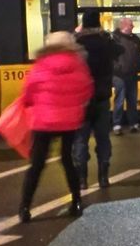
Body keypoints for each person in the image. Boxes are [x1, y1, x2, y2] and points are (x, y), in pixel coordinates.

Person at [18, 31, 92, 223]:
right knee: (67, 160)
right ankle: (76, 202)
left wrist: (28, 104)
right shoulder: (78, 64)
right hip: (69, 121)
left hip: (43, 120)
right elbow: (86, 89)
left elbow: (29, 90)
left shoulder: (42, 64)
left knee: (37, 164)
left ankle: (25, 208)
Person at [73, 9, 122, 189]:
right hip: (101, 97)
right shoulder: (105, 41)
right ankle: (103, 177)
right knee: (103, 138)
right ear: (98, 22)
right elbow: (120, 49)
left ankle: (82, 179)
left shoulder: (77, 42)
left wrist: (76, 32)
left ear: (83, 23)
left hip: (81, 99)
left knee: (80, 140)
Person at [112, 17, 140, 135]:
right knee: (120, 101)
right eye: (131, 25)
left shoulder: (135, 39)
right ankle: (117, 125)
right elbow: (111, 58)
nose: (133, 27)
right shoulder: (115, 39)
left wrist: (139, 67)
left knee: (132, 101)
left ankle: (133, 125)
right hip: (119, 76)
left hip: (132, 73)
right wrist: (117, 69)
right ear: (124, 25)